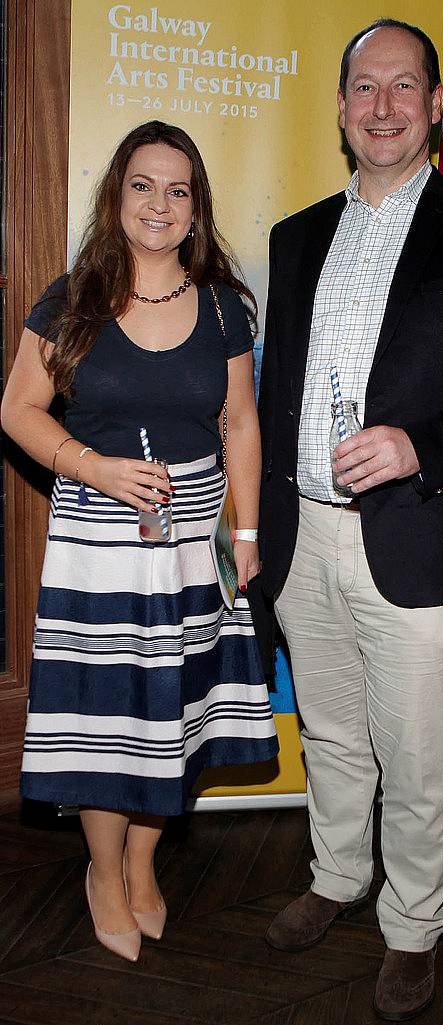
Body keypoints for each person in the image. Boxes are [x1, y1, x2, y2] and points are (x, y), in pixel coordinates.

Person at [257, 18, 443, 1021]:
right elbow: (275, 398)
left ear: (435, 108)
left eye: (403, 87)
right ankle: (339, 872)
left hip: (425, 534)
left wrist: (421, 446)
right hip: (306, 532)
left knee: (425, 751)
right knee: (336, 731)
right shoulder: (295, 237)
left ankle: (413, 924)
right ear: (340, 107)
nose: (382, 106)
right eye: (363, 88)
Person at [1, 120, 278, 963]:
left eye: (178, 189)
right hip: (98, 537)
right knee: (103, 718)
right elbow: (16, 409)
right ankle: (103, 869)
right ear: (116, 197)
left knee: (176, 712)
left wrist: (247, 531)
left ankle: (145, 864)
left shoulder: (225, 304)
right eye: (142, 185)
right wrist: (95, 467)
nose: (159, 203)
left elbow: (239, 422)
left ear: (196, 210)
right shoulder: (71, 298)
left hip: (196, 540)